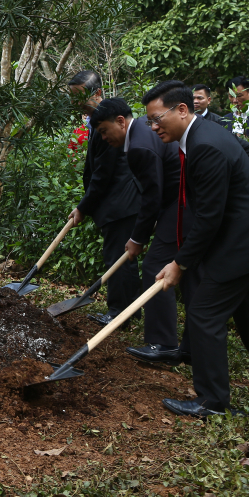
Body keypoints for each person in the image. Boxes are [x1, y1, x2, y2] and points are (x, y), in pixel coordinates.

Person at [144, 80, 249, 421]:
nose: (153, 126)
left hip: (239, 248)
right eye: (149, 120)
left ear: (181, 110)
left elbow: (208, 216)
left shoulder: (205, 145)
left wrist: (180, 263)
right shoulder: (206, 134)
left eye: (157, 118)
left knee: (205, 315)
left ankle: (211, 403)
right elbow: (246, 160)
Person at [88, 98, 183, 363]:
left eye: (105, 131)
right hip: (177, 203)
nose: (104, 138)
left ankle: (163, 344)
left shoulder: (140, 145)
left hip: (181, 204)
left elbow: (152, 194)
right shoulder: (141, 131)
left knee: (154, 267)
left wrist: (137, 238)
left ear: (121, 121)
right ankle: (184, 345)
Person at [67, 71, 142, 327]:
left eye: (80, 97)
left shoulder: (111, 125)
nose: (77, 103)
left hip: (120, 202)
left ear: (97, 93)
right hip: (115, 202)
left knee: (118, 259)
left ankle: (120, 313)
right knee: (119, 258)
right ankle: (127, 311)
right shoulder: (98, 122)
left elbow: (103, 173)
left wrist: (83, 207)